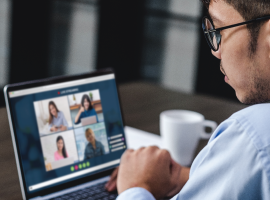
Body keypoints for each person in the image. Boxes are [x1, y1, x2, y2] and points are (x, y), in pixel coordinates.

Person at [105, 0, 270, 199]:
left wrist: (135, 186)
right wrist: (200, 176)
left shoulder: (252, 137)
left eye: (219, 30)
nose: (215, 51)